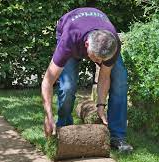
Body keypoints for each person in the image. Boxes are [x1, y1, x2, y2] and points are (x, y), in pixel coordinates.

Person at [41, 7, 133, 153]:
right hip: (70, 28)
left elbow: (104, 75)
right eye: (96, 58)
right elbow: (47, 81)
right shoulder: (69, 39)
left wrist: (101, 105)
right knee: (67, 86)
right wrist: (48, 115)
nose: (98, 62)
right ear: (86, 46)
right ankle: (63, 127)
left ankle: (117, 136)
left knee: (120, 79)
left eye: (102, 59)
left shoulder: (111, 43)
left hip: (99, 32)